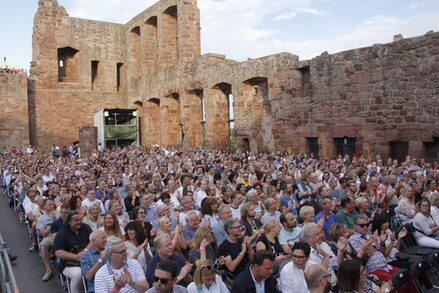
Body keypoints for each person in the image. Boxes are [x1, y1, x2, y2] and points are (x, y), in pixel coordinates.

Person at [54, 210, 93, 293]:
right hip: (69, 264)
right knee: (78, 274)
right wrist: (76, 257)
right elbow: (58, 252)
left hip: (88, 258)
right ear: (68, 222)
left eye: (80, 219)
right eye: (76, 220)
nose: (79, 222)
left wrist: (85, 251)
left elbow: (93, 240)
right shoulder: (62, 234)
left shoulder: (85, 227)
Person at [299, 223, 337, 287]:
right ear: (309, 238)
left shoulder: (324, 245)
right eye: (317, 234)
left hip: (336, 283)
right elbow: (318, 277)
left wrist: (341, 251)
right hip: (322, 289)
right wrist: (325, 257)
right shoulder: (306, 255)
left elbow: (337, 264)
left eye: (320, 232)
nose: (321, 235)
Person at [37, 198, 57, 281]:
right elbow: (44, 234)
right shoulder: (41, 218)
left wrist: (56, 220)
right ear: (44, 207)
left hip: (61, 234)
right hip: (49, 237)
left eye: (53, 204)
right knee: (43, 245)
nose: (52, 206)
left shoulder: (59, 213)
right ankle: (49, 270)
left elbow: (65, 227)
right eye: (50, 205)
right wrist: (52, 222)